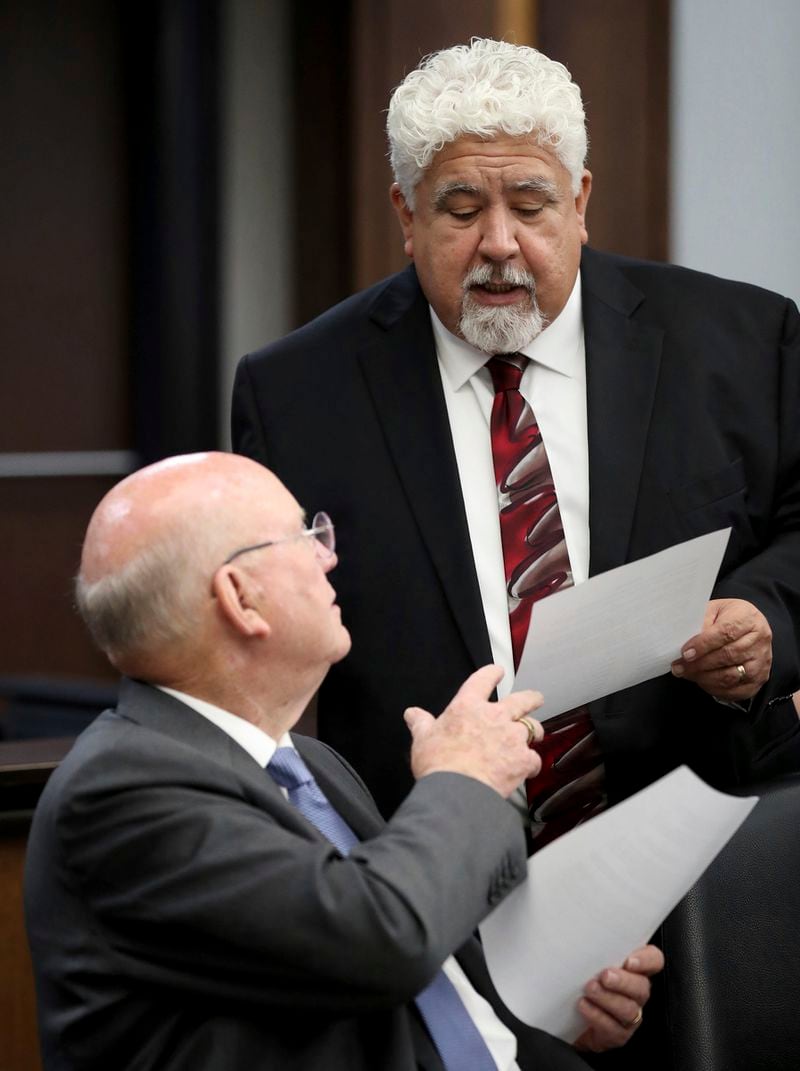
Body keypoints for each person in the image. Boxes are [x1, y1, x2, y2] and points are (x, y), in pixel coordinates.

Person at [231, 37, 800, 829]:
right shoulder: (296, 394)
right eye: (461, 210)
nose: (498, 242)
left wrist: (770, 620)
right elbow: (259, 650)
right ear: (405, 212)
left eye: (531, 206)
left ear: (581, 201)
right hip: (435, 873)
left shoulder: (739, 341)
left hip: (709, 846)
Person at [24, 452, 661, 1071]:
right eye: (304, 534)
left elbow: (404, 972)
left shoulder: (309, 763)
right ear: (241, 597)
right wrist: (464, 773)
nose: (330, 555)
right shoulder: (119, 791)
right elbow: (382, 940)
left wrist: (554, 1001)